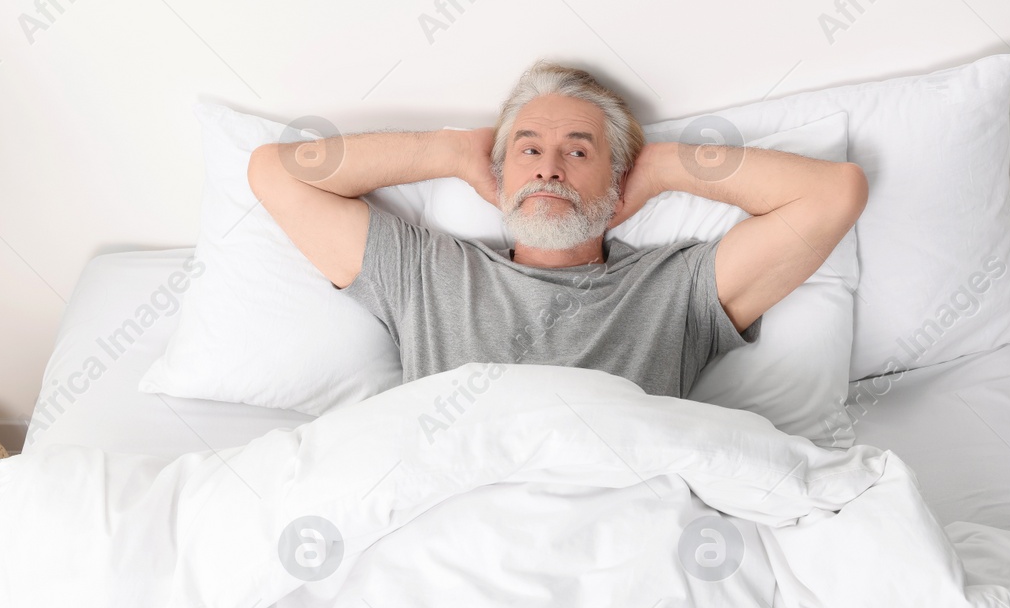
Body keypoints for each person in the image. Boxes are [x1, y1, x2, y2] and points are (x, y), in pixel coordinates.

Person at [247, 60, 867, 399]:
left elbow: (834, 193)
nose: (548, 166)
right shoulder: (427, 272)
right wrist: (451, 151)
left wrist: (661, 169)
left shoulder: (674, 290)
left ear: (616, 179)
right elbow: (274, 173)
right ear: (499, 173)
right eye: (526, 149)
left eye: (578, 152)